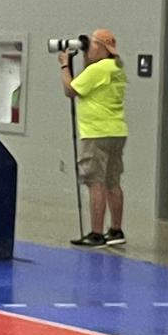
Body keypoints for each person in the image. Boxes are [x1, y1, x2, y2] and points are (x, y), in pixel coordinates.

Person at [59, 29, 128, 248]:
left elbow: (71, 89)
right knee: (112, 182)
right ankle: (115, 230)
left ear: (102, 48)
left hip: (96, 133)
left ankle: (96, 233)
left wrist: (64, 65)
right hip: (116, 131)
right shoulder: (116, 67)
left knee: (94, 182)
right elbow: (89, 81)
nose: (89, 47)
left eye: (93, 44)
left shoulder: (97, 70)